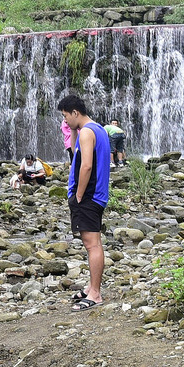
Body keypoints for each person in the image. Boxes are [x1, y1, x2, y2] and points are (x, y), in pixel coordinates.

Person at [58, 95, 111, 312]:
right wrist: (72, 133)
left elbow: (86, 166)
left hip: (88, 196)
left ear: (75, 113)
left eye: (65, 117)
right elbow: (75, 156)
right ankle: (91, 287)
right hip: (96, 194)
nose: (65, 122)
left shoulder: (87, 132)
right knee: (93, 243)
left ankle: (95, 294)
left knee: (92, 244)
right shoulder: (96, 128)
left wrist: (78, 195)